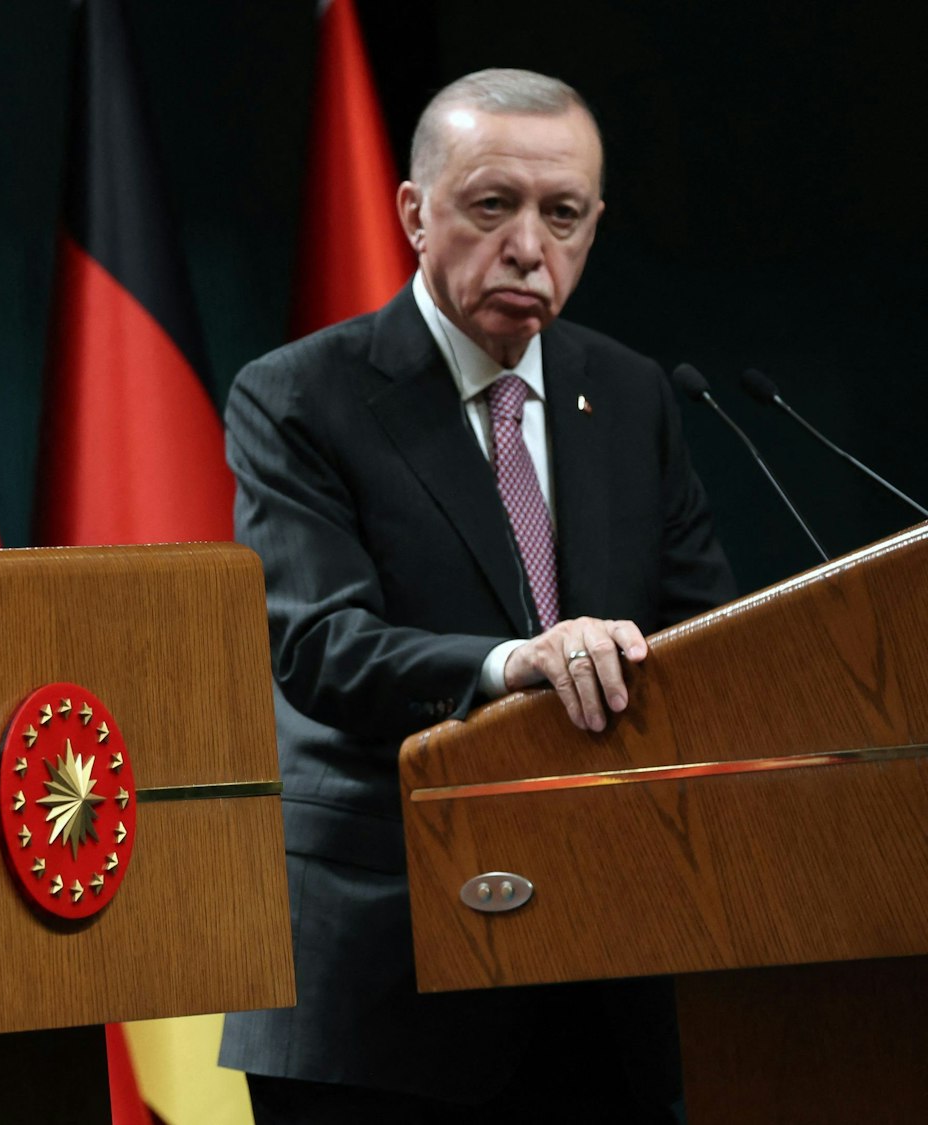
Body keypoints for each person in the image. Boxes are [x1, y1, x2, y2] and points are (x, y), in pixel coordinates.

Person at [218, 69, 737, 1122]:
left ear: (594, 225)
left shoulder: (631, 394)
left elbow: (706, 639)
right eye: (491, 205)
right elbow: (318, 645)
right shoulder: (298, 396)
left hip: (603, 971)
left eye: (561, 215)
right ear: (414, 213)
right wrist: (513, 664)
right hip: (382, 976)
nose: (527, 247)